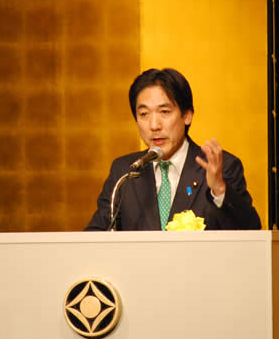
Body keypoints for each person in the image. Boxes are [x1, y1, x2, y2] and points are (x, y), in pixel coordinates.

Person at [85, 68, 261, 231]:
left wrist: (219, 190)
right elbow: (95, 237)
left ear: (187, 116)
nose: (154, 125)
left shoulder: (221, 167)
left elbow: (250, 231)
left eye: (164, 112)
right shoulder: (125, 173)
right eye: (144, 114)